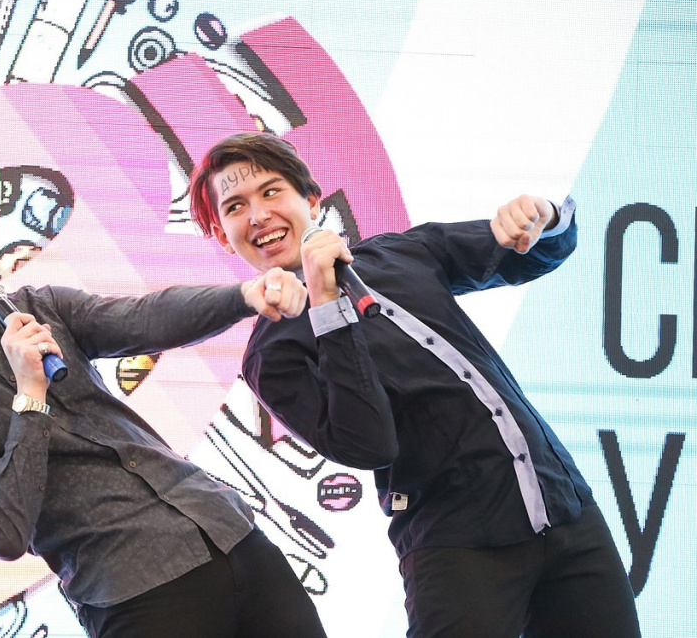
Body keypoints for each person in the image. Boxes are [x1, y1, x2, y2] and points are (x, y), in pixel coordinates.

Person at [0, 125, 328, 638]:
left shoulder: (39, 307)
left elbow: (144, 318)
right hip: (138, 594)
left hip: (232, 536)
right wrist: (30, 397)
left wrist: (245, 296)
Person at [189, 131, 641, 638]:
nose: (258, 215)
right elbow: (367, 444)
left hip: (565, 509)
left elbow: (528, 253)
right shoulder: (272, 353)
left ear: (311, 201)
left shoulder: (400, 252)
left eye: (271, 192)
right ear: (223, 236)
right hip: (457, 548)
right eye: (235, 207)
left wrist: (544, 216)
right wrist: (327, 305)